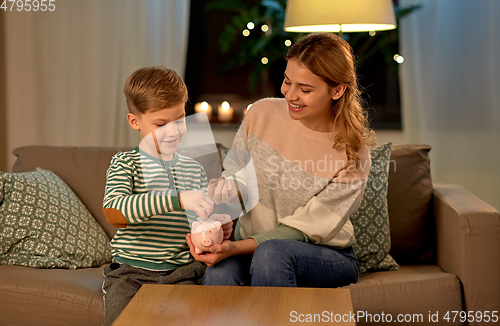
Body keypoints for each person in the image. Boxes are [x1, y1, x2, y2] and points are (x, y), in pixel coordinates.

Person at [186, 32, 375, 288]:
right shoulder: (262, 114)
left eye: (305, 89)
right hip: (251, 244)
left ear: (338, 90)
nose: (290, 95)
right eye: (287, 81)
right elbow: (236, 178)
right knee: (222, 272)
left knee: (271, 254)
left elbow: (306, 229)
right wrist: (224, 205)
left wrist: (238, 247)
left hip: (326, 254)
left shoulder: (353, 152)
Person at [101, 66, 232, 326]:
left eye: (180, 120)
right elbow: (115, 212)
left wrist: (216, 226)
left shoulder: (193, 168)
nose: (173, 132)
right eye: (161, 124)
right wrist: (179, 198)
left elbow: (197, 223)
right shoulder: (125, 163)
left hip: (182, 272)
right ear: (134, 121)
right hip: (131, 274)